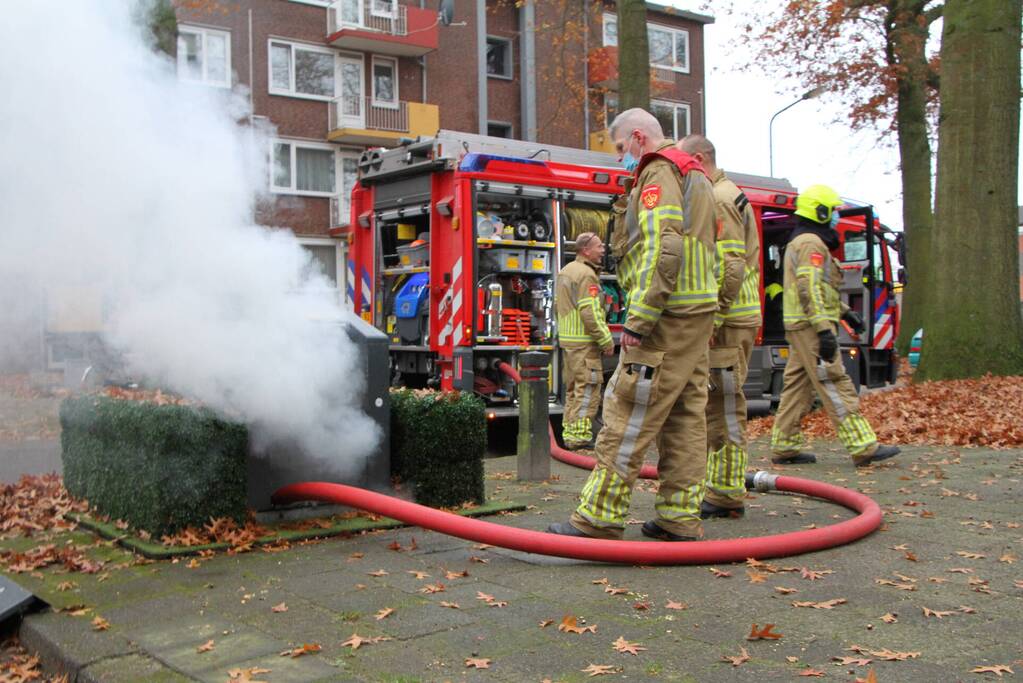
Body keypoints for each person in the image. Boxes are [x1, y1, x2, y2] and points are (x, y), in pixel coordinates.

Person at [548, 108, 718, 541]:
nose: (621, 158)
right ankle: (679, 517)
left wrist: (639, 317)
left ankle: (599, 517)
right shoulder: (695, 174)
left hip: (665, 315)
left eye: (622, 149)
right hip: (694, 313)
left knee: (629, 409)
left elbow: (665, 247)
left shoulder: (658, 172)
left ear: (639, 137)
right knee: (684, 415)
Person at [770, 184, 900, 467]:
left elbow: (819, 289)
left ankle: (784, 445)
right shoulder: (811, 244)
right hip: (811, 326)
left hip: (801, 324)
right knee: (833, 378)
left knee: (796, 387)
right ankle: (862, 445)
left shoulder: (801, 242)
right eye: (832, 213)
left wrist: (844, 313)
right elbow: (809, 288)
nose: (836, 219)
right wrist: (824, 330)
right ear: (820, 211)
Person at [679, 134, 761, 518]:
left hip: (728, 323)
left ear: (698, 158)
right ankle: (723, 487)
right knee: (721, 402)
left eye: (683, 164)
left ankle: (726, 493)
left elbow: (731, 265)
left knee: (723, 404)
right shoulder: (729, 192)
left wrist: (715, 316)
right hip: (734, 319)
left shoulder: (720, 197)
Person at [556, 232, 614, 450]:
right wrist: (606, 339)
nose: (603, 250)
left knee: (572, 390)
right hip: (584, 342)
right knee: (588, 388)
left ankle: (570, 434)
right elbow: (589, 311)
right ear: (586, 250)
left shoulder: (567, 271)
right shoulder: (586, 275)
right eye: (599, 246)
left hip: (570, 342)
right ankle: (580, 437)